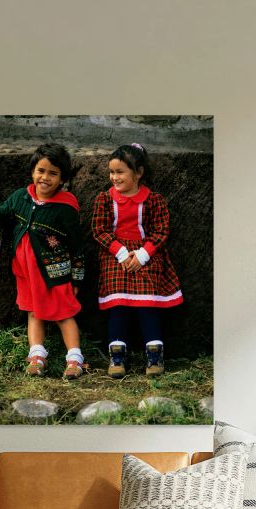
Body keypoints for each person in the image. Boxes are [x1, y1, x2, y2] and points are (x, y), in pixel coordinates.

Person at [91, 143, 182, 378]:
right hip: (116, 256)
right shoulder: (104, 200)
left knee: (147, 304)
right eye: (112, 172)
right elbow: (99, 230)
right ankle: (118, 355)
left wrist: (142, 255)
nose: (114, 177)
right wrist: (121, 253)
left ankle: (154, 354)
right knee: (118, 305)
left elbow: (161, 230)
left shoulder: (153, 200)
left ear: (138, 172)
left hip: (146, 256)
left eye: (120, 172)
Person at [0, 143, 86, 378]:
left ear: (62, 179)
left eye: (53, 173)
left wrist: (76, 277)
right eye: (41, 171)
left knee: (64, 314)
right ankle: (37, 356)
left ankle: (75, 358)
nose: (45, 178)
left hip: (55, 274)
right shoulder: (20, 198)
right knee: (33, 312)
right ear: (32, 172)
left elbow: (77, 245)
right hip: (25, 271)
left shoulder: (65, 208)